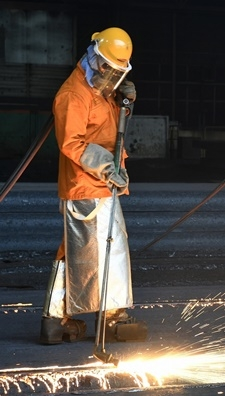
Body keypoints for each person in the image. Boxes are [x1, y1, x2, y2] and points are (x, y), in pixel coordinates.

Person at [39, 27, 145, 344]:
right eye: (105, 67)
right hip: (87, 185)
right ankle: (113, 318)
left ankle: (55, 321)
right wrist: (107, 166)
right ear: (93, 56)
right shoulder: (73, 95)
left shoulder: (100, 92)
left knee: (74, 253)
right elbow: (72, 143)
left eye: (115, 71)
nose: (108, 75)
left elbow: (109, 127)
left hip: (95, 184)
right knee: (109, 249)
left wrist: (125, 102)